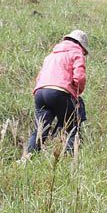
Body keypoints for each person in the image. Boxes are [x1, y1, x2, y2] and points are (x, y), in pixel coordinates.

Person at [23, 30, 88, 158]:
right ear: (81, 45)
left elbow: (39, 77)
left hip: (40, 93)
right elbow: (80, 78)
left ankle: (26, 158)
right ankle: (68, 158)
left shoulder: (51, 55)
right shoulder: (76, 52)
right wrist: (76, 91)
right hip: (60, 92)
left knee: (40, 131)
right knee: (72, 127)